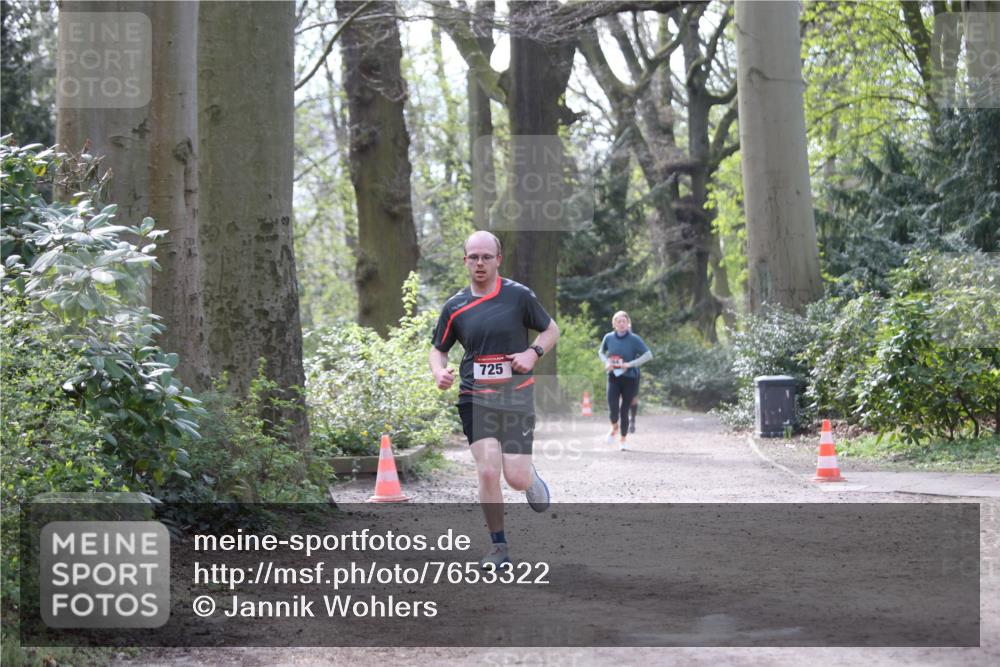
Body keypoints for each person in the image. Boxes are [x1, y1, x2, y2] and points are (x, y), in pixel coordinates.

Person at [429, 230, 560, 567]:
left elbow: (551, 329)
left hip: (516, 395)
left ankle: (529, 477)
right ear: (465, 261)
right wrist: (438, 372)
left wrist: (533, 353)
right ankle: (499, 547)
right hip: (476, 397)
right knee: (488, 470)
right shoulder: (455, 307)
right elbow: (438, 350)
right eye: (473, 257)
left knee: (514, 478)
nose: (480, 263)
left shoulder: (518, 296)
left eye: (487, 256)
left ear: (498, 259)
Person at [598, 311, 652, 450]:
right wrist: (606, 363)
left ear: (628, 323)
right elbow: (601, 352)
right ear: (614, 324)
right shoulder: (608, 337)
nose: (621, 324)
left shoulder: (634, 339)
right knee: (613, 408)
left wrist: (631, 364)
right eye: (618, 321)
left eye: (624, 321)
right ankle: (614, 427)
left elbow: (648, 355)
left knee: (624, 410)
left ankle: (623, 439)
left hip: (630, 379)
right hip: (613, 377)